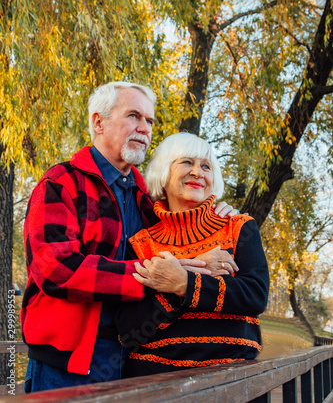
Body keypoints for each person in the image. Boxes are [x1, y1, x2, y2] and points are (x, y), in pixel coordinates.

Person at [21, 81, 238, 392]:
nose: (144, 128)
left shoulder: (147, 200)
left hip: (136, 356)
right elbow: (55, 269)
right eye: (134, 116)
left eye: (149, 121)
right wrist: (157, 274)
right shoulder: (61, 183)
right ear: (99, 122)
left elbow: (186, 240)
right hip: (67, 362)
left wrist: (217, 210)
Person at [114, 132, 270, 376]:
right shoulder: (141, 242)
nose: (198, 172)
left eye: (206, 166)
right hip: (155, 381)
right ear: (164, 173)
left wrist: (186, 283)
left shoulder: (238, 226)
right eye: (187, 162)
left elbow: (255, 296)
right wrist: (182, 283)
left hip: (232, 378)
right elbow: (129, 330)